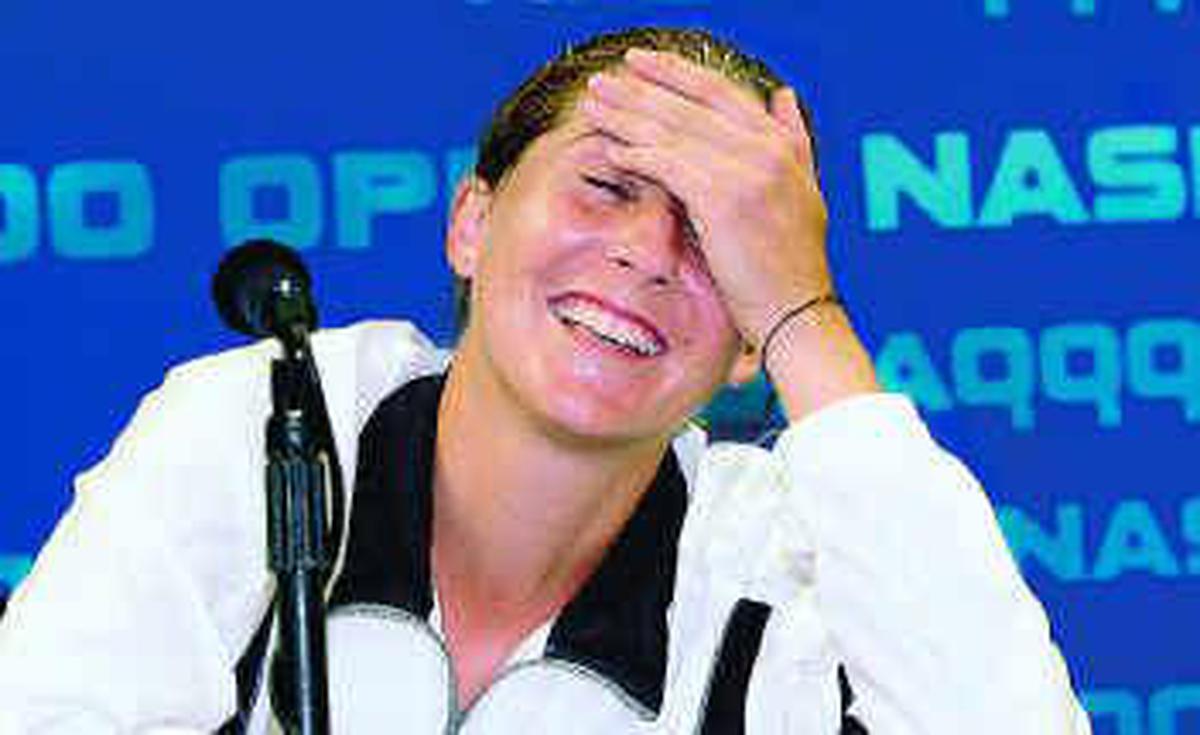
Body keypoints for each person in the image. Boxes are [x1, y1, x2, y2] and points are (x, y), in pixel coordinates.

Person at [0, 27, 1091, 734]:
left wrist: (810, 318)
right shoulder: (270, 420)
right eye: (608, 186)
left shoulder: (783, 566)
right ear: (470, 221)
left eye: (717, 237)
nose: (647, 254)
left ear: (753, 343)